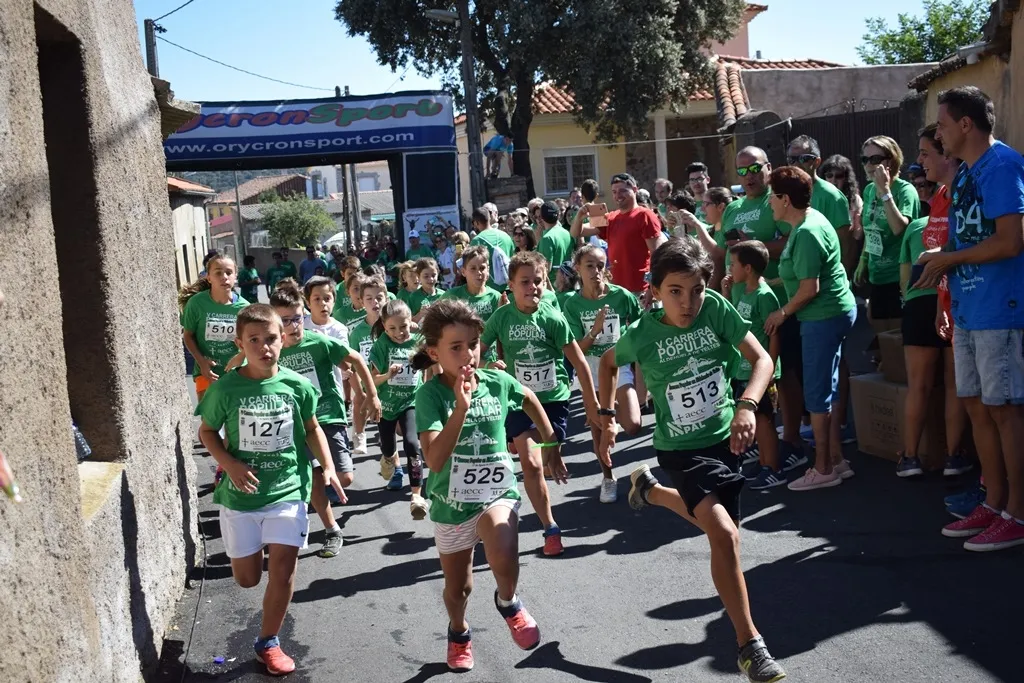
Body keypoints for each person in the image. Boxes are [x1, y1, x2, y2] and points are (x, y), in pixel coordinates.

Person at [596, 237, 786, 683]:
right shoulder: (643, 334)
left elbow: (761, 361)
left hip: (726, 441)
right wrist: (605, 416)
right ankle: (749, 646)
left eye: (697, 289)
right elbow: (607, 363)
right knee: (724, 535)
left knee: (722, 530)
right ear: (656, 290)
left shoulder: (717, 309)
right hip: (680, 449)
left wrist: (747, 405)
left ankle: (652, 492)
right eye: (676, 292)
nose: (688, 302)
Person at [196, 304, 346, 675]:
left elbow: (312, 428)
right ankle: (257, 545)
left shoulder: (297, 386)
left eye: (272, 339)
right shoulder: (226, 389)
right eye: (255, 340)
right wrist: (229, 464)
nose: (265, 348)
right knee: (248, 579)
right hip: (241, 496)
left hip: (288, 489)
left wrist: (326, 466)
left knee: (283, 570)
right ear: (240, 344)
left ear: (283, 341)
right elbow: (207, 432)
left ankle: (268, 642)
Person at [413, 300, 557, 672]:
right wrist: (459, 409)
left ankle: (508, 602)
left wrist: (550, 440)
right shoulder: (430, 396)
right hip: (451, 505)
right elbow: (434, 459)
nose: (468, 354)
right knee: (458, 589)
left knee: (505, 552)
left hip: (495, 494)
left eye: (473, 344)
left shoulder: (496, 382)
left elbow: (527, 397)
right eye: (456, 347)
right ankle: (459, 632)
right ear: (434, 353)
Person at [915, 86, 1024, 551]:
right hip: (968, 310)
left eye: (941, 124)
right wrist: (940, 269)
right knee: (979, 407)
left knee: (1006, 411)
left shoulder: (1002, 165)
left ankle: (1017, 513)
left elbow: (1010, 242)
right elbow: (964, 246)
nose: (938, 134)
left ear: (965, 125)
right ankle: (994, 502)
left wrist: (949, 262)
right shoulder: (962, 177)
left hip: (1001, 309)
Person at [482, 251, 600, 555]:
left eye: (538, 281)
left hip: (553, 401)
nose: (532, 287)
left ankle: (542, 449)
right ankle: (550, 528)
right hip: (519, 402)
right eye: (524, 282)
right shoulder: (501, 317)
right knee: (532, 464)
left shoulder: (552, 317)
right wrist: (489, 363)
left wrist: (591, 406)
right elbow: (476, 352)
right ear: (510, 285)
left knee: (547, 459)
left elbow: (581, 364)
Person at [269, 283, 382, 558]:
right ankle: (331, 529)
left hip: (328, 415)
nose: (293, 326)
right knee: (317, 479)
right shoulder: (273, 349)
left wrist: (371, 395)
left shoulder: (318, 341)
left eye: (296, 318)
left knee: (345, 476)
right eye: (285, 321)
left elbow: (356, 360)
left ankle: (316, 497)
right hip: (294, 424)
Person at [764, 166, 858, 491]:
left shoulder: (805, 231)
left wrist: (781, 313)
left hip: (822, 316)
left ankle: (823, 468)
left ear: (785, 199)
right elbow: (801, 274)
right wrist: (772, 281)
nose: (768, 203)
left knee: (817, 395)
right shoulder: (809, 219)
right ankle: (837, 460)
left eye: (771, 196)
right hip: (833, 312)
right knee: (826, 390)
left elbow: (809, 288)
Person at [895, 123, 971, 479]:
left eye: (925, 153)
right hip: (941, 300)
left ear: (947, 153)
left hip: (961, 302)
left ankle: (918, 457)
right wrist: (940, 304)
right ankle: (951, 457)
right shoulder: (940, 198)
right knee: (952, 387)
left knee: (929, 386)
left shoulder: (964, 192)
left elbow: (915, 271)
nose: (920, 162)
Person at [560, 245, 643, 502]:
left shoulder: (621, 296)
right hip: (591, 369)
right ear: (577, 269)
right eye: (589, 266)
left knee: (632, 424)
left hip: (618, 366)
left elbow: (640, 325)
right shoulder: (572, 304)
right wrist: (595, 330)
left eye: (600, 265)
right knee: (598, 431)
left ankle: (612, 417)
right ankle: (608, 478)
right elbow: (578, 350)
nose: (596, 271)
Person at [721, 241, 784, 490]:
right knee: (755, 419)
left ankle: (774, 468)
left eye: (733, 264)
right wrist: (726, 293)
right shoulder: (739, 290)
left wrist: (770, 370)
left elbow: (775, 336)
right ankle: (762, 460)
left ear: (747, 268)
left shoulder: (765, 295)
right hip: (742, 370)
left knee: (766, 422)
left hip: (760, 373)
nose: (729, 267)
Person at [855, 135, 921, 335]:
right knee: (880, 334)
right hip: (877, 275)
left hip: (899, 275)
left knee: (897, 338)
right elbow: (870, 228)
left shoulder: (904, 190)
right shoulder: (868, 191)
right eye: (865, 160)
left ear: (890, 160)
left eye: (875, 159)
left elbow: (898, 228)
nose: (869, 165)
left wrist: (885, 191)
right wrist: (863, 260)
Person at [369, 300, 428, 518]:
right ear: (384, 327)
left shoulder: (419, 340)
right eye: (392, 328)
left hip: (411, 402)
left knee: (412, 444)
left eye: (403, 326)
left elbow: (432, 361)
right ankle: (386, 458)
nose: (399, 333)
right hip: (386, 406)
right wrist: (388, 376)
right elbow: (373, 381)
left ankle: (416, 495)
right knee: (387, 447)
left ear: (410, 322)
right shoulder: (381, 345)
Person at [570, 173, 667, 298]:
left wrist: (651, 288)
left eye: (622, 191)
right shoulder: (611, 217)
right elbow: (576, 232)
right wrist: (579, 216)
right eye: (614, 192)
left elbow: (657, 255)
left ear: (634, 189)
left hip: (639, 290)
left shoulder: (645, 215)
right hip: (616, 290)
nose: (617, 196)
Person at [180, 254, 249, 402]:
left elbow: (252, 340)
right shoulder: (196, 303)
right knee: (210, 422)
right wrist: (201, 362)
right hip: (207, 371)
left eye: (229, 272)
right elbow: (188, 335)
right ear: (209, 278)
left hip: (236, 372)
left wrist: (241, 356)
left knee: (234, 422)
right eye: (218, 272)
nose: (224, 277)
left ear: (235, 276)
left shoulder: (245, 308)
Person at [348, 276, 389, 457]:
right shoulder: (358, 332)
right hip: (366, 379)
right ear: (362, 302)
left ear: (386, 299)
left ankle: (386, 440)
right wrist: (358, 387)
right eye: (369, 298)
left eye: (379, 297)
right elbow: (352, 363)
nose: (375, 302)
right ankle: (360, 434)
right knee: (360, 400)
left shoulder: (391, 326)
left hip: (388, 379)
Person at [819, 154, 864, 282]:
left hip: (846, 253)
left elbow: (857, 235)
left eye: (839, 176)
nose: (833, 180)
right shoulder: (817, 196)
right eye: (829, 175)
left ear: (846, 178)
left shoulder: (854, 200)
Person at [469, 207, 514, 292]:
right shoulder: (506, 236)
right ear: (489, 218)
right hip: (510, 286)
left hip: (490, 289)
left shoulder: (477, 241)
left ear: (476, 223)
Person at [536, 201, 574, 283]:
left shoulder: (547, 238)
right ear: (558, 214)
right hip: (569, 282)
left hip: (554, 286)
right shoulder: (567, 232)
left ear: (542, 217)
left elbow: (545, 269)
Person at [409, 258, 445, 322]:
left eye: (433, 275)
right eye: (426, 276)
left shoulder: (444, 295)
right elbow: (408, 322)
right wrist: (420, 314)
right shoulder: (413, 297)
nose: (431, 279)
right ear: (418, 276)